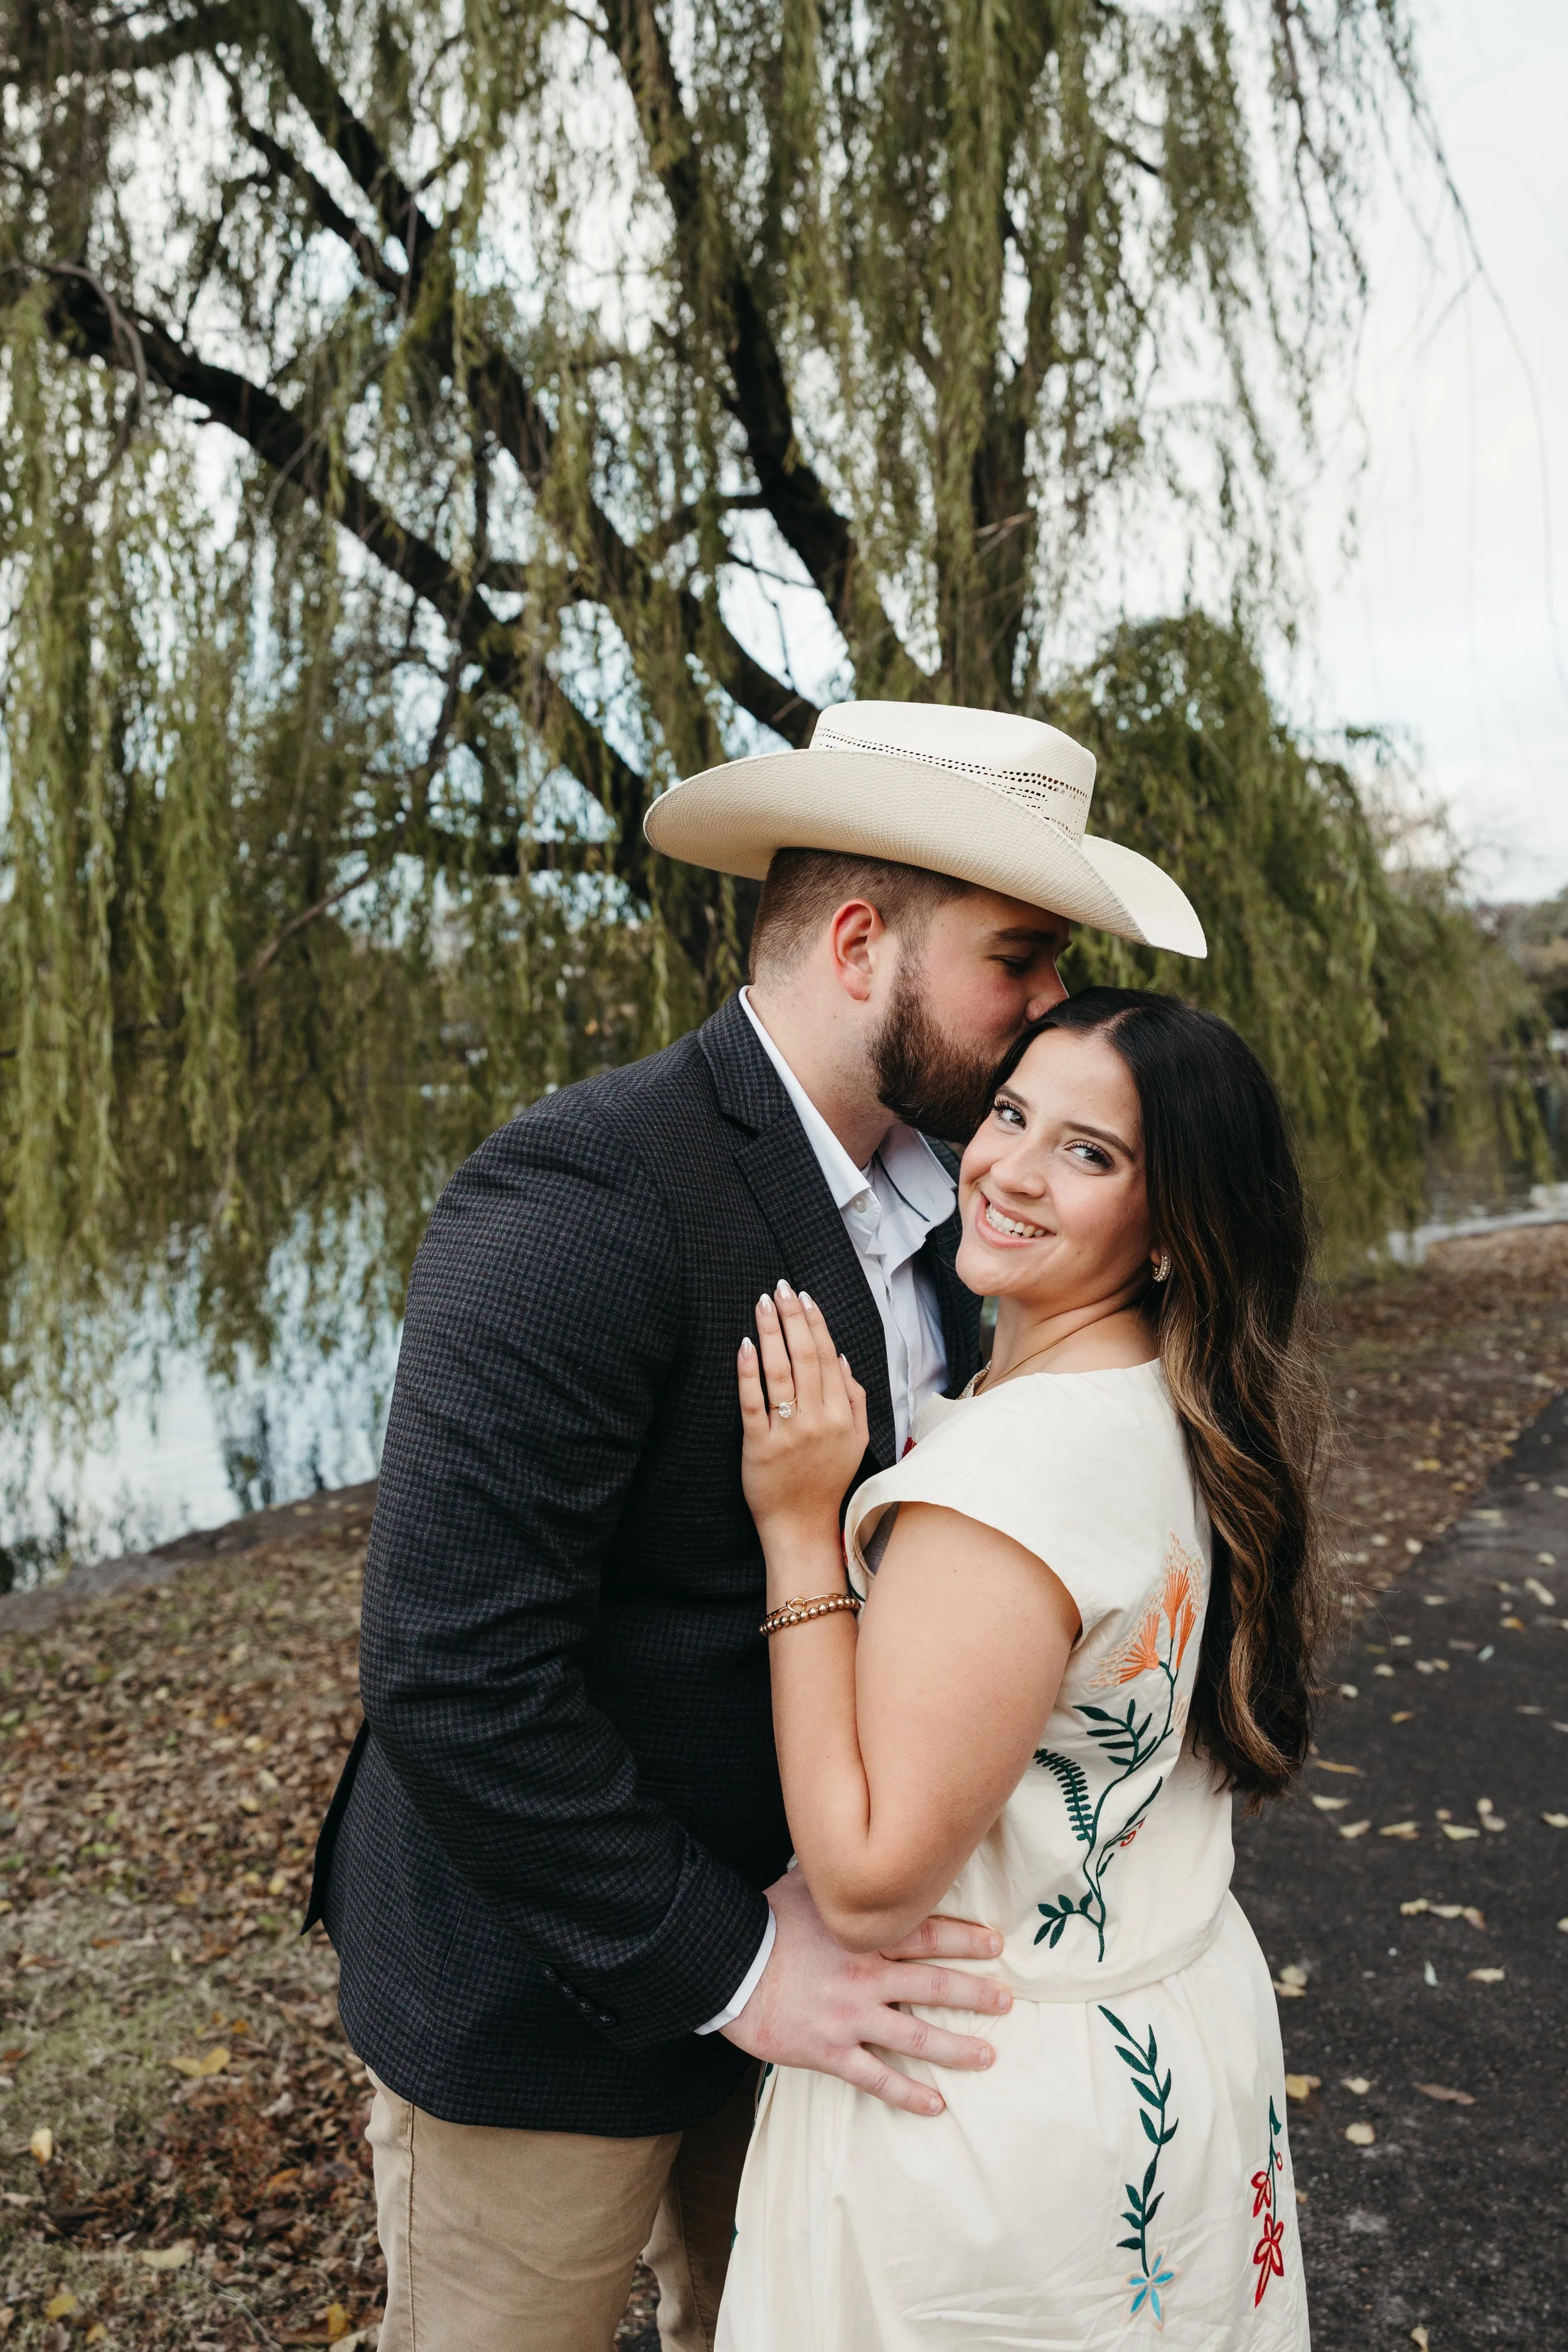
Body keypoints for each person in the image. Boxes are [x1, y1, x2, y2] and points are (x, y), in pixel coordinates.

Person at [305, 701, 1206, 2352]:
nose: (1051, 1007)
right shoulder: (583, 1195)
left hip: (830, 1995)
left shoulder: (973, 1207)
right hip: (552, 1994)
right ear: (864, 942)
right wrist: (734, 1963)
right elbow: (453, 1675)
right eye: (1019, 954)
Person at [718, 988, 1322, 2350]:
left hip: (989, 2104)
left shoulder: (1004, 1488)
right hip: (1169, 2039)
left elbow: (871, 1881)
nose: (1005, 1170)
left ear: (1171, 1227)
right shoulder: (1184, 1414)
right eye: (1007, 1115)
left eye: (1088, 1154)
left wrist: (796, 1531)